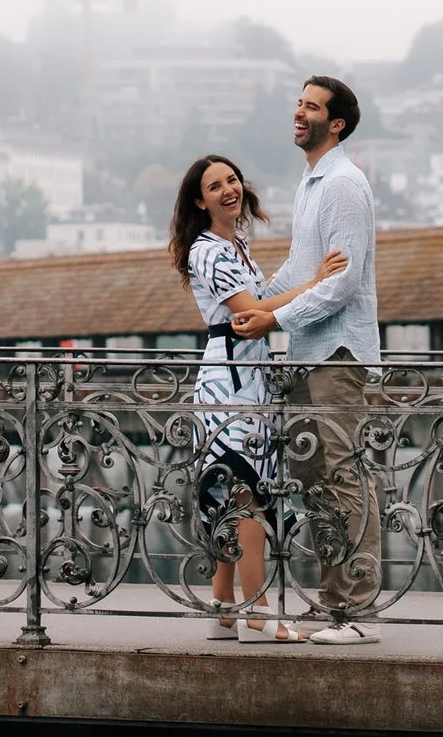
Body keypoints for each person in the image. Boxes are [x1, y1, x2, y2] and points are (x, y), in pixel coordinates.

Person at [168, 154, 349, 644]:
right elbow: (247, 312)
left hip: (249, 374)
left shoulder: (236, 243)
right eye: (215, 186)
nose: (228, 189)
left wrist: (304, 278)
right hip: (229, 380)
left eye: (232, 180)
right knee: (246, 494)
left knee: (238, 490)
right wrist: (315, 284)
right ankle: (258, 612)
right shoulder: (207, 251)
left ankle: (224, 605)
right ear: (198, 201)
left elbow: (261, 298)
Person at [233, 75, 381, 645]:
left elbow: (340, 283)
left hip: (337, 354)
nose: (299, 112)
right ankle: (333, 602)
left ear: (336, 122)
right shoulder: (312, 183)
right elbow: (301, 270)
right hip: (308, 353)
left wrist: (272, 319)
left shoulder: (344, 185)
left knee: (343, 479)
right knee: (316, 483)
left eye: (311, 107)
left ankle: (355, 613)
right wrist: (252, 304)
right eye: (298, 103)